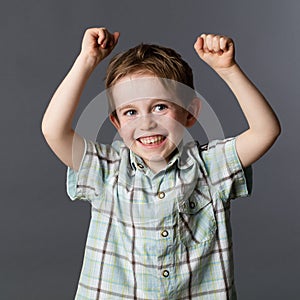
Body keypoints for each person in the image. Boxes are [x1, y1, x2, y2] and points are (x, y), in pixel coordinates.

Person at [41, 27, 280, 299]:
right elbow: (54, 130)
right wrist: (86, 60)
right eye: (131, 112)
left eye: (160, 107)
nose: (146, 122)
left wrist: (228, 69)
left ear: (190, 113)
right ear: (116, 123)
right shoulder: (106, 170)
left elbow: (265, 131)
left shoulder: (209, 167)